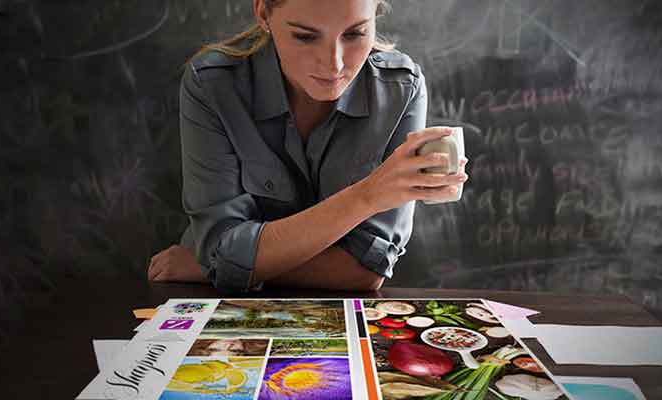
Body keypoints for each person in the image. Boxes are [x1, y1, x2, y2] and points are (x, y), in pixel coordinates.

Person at [148, 0, 469, 292]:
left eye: (355, 34)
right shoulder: (212, 85)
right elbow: (221, 250)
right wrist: (368, 195)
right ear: (263, 14)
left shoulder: (401, 90)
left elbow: (365, 273)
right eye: (305, 36)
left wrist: (222, 266)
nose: (334, 64)